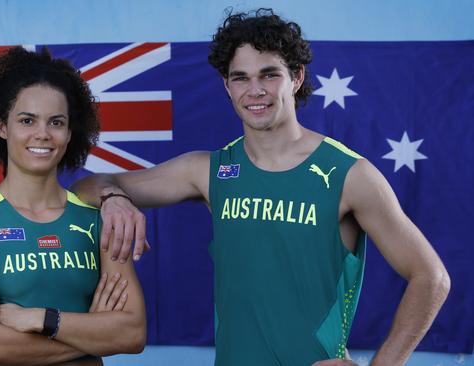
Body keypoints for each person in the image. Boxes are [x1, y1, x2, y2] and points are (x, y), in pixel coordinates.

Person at [72, 8, 450, 366]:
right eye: (241, 78)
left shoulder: (350, 174)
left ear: (297, 77)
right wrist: (114, 198)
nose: (255, 91)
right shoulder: (208, 170)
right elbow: (87, 186)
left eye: (269, 74)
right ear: (227, 86)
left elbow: (431, 278)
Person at [0, 46, 145, 366]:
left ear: (68, 133)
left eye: (56, 122)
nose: (42, 134)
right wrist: (95, 337)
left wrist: (43, 320)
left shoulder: (98, 217)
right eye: (27, 120)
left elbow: (133, 333)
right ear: (2, 127)